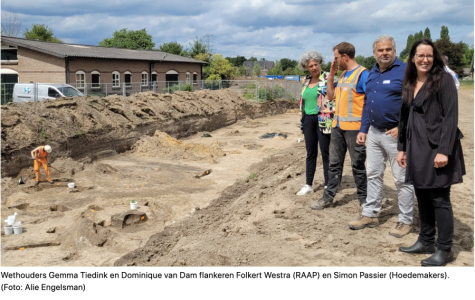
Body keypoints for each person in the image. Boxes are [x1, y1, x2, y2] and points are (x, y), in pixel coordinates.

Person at [397, 39, 465, 266]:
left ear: (434, 57)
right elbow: (404, 117)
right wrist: (401, 148)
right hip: (415, 146)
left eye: (429, 55)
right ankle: (425, 240)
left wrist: (444, 151)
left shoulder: (443, 79)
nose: (425, 59)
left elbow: (450, 117)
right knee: (422, 194)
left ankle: (444, 249)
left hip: (437, 147)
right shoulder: (409, 80)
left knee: (439, 198)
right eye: (420, 55)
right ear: (413, 58)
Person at [348, 35, 415, 238]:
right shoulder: (372, 72)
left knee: (402, 179)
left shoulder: (405, 71)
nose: (384, 53)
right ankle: (370, 214)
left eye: (388, 50)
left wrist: (402, 127)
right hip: (375, 133)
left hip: (396, 135)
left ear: (394, 51)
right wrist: (363, 129)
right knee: (373, 174)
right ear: (374, 52)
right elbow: (368, 103)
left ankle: (405, 220)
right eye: (380, 50)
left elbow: (416, 102)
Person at [311, 42, 369, 209]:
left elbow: (369, 102)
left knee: (357, 165)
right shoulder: (342, 75)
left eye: (336, 57)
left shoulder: (362, 74)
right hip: (337, 127)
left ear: (345, 56)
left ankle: (364, 200)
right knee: (334, 164)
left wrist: (364, 128)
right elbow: (330, 96)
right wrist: (331, 75)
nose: (334, 61)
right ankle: (328, 198)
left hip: (354, 128)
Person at [296, 51, 334, 195]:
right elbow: (303, 101)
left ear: (320, 64)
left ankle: (328, 184)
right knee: (310, 153)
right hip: (308, 120)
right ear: (306, 67)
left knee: (326, 153)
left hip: (323, 119)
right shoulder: (305, 80)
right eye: (310, 66)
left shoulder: (328, 78)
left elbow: (333, 97)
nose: (313, 68)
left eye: (315, 64)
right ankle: (308, 184)